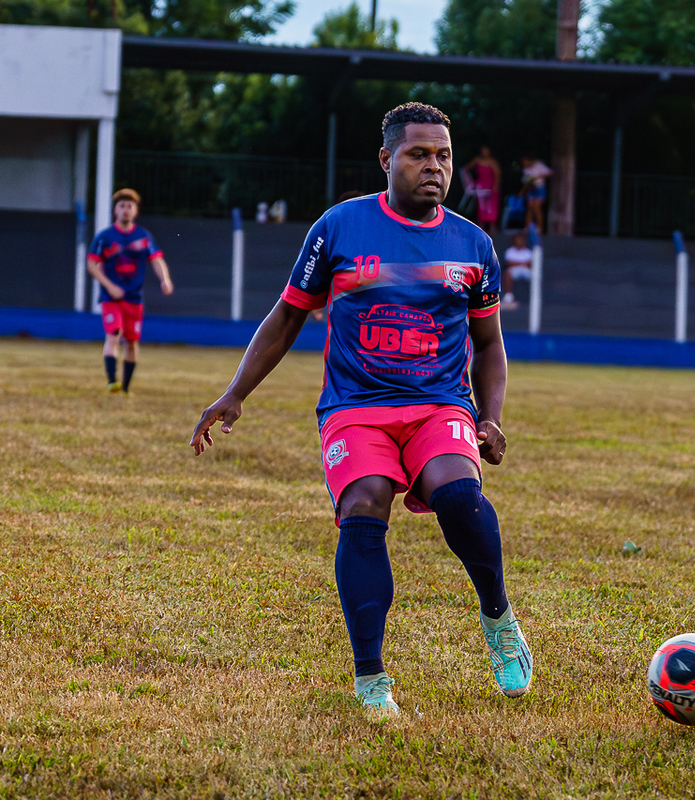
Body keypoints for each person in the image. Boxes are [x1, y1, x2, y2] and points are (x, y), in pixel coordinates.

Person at [188, 102, 533, 715]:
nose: (434, 167)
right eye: (419, 154)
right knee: (364, 504)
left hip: (439, 405)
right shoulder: (339, 227)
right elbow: (288, 314)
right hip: (355, 408)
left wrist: (491, 416)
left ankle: (498, 617)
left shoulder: (473, 244)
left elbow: (488, 343)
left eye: (444, 155)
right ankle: (372, 678)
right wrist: (236, 391)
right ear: (386, 159)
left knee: (459, 495)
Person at [86, 188, 174, 394]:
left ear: (136, 210)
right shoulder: (105, 237)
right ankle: (112, 381)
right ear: (115, 210)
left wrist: (165, 280)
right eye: (122, 206)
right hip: (111, 298)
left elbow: (157, 260)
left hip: (134, 298)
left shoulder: (143, 236)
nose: (126, 210)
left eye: (130, 206)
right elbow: (91, 264)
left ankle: (125, 388)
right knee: (114, 335)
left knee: (132, 343)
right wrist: (109, 286)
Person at [464, 146, 501, 235]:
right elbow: (466, 168)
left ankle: (492, 227)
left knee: (491, 206)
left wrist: (496, 186)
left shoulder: (493, 162)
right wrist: (468, 180)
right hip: (480, 186)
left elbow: (497, 175)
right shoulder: (477, 160)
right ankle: (481, 227)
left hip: (491, 186)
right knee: (481, 206)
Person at [519, 156, 552, 233]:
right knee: (530, 208)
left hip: (539, 188)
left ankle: (540, 228)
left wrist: (539, 176)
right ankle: (527, 228)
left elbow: (549, 172)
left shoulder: (539, 165)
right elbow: (526, 180)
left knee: (537, 208)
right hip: (530, 189)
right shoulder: (525, 169)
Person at [501, 231, 532, 310]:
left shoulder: (528, 251)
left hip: (526, 270)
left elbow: (530, 263)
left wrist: (517, 263)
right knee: (507, 272)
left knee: (536, 275)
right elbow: (508, 263)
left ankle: (535, 295)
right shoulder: (510, 251)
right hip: (515, 270)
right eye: (518, 239)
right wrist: (522, 263)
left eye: (521, 239)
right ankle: (508, 295)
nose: (519, 241)